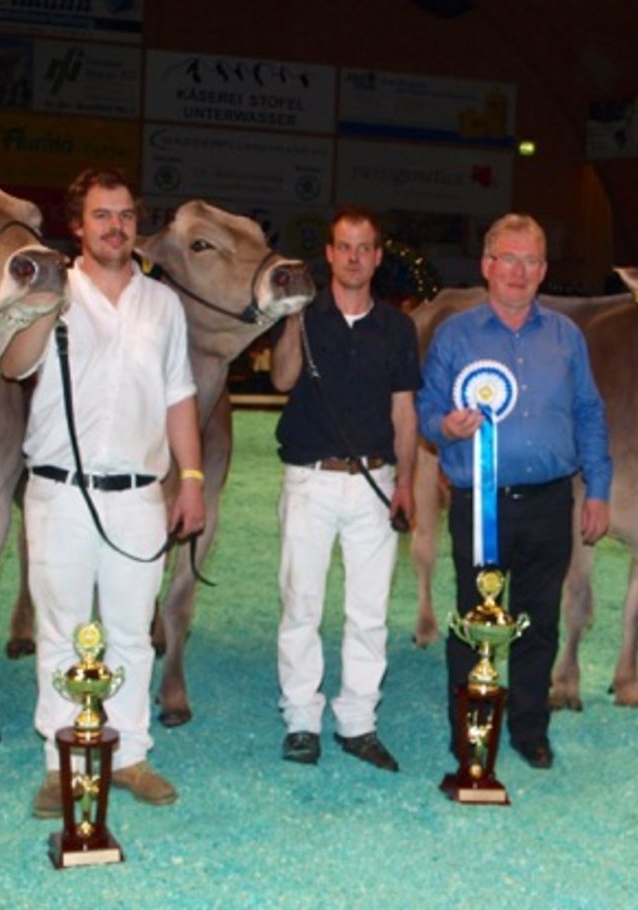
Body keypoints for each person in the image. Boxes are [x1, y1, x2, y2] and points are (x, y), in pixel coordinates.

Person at [0, 167, 204, 813]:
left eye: (125, 215)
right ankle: (60, 761)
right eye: (101, 215)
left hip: (139, 494)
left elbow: (179, 394)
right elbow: (14, 365)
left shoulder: (163, 303)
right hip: (59, 492)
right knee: (60, 632)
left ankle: (131, 754)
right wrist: (44, 304)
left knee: (132, 633)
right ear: (77, 225)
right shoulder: (49, 286)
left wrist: (190, 479)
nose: (116, 226)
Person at [416, 213, 611, 771]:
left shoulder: (567, 337)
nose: (519, 271)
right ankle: (470, 729)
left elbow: (589, 413)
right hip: (480, 503)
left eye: (530, 261)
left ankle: (530, 729)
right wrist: (444, 426)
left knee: (539, 622)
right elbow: (427, 409)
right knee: (470, 622)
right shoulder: (455, 334)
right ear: (487, 265)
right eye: (508, 258)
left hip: (551, 502)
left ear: (544, 270)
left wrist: (598, 489)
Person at [269, 206, 420, 771]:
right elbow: (281, 378)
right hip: (309, 479)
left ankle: (358, 722)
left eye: (364, 248)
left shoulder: (398, 329)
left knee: (369, 612)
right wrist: (291, 317)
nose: (354, 257)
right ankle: (301, 720)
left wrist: (407, 484)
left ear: (377, 257)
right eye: (344, 247)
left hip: (375, 483)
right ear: (329, 255)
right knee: (301, 605)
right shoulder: (304, 318)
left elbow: (404, 413)